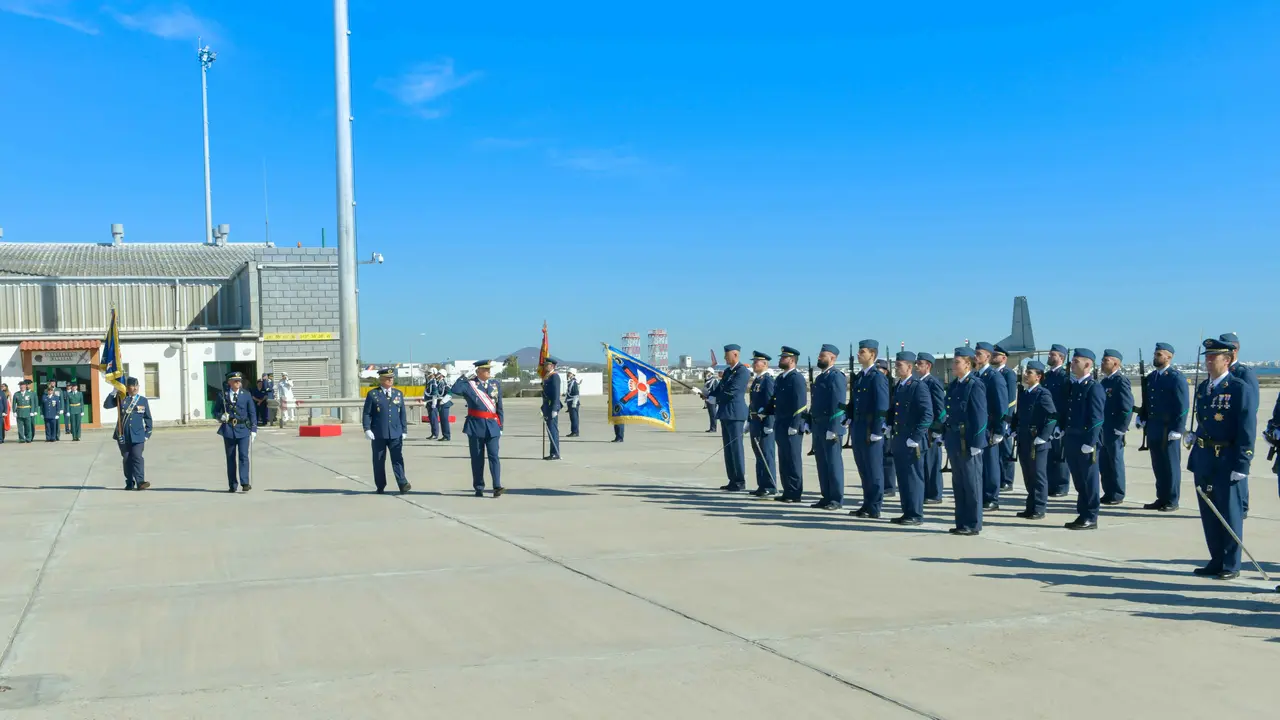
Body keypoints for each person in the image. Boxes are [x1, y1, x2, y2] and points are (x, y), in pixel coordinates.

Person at [1186, 337, 1258, 580]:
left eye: (1213, 357)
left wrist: (1243, 462)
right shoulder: (1205, 388)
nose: (1207, 361)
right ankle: (1216, 559)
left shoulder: (1238, 388)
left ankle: (1231, 563)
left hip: (1226, 457)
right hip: (1205, 456)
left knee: (1229, 511)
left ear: (1227, 360)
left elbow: (1246, 428)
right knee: (1209, 511)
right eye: (1206, 357)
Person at [1135, 342, 1188, 511]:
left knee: (1171, 465)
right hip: (1153, 427)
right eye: (1155, 354)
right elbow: (1147, 402)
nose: (1155, 357)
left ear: (1169, 357)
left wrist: (1178, 429)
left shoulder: (1176, 378)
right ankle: (1161, 497)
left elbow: (1182, 405)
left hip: (1168, 428)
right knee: (1158, 464)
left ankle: (1172, 500)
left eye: (1159, 354)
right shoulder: (1151, 378)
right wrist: (1141, 416)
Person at [695, 345, 750, 492]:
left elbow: (733, 391)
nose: (725, 358)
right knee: (728, 449)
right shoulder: (727, 371)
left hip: (735, 414)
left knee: (736, 448)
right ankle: (732, 479)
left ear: (735, 355)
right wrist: (707, 394)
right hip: (725, 413)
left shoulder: (742, 372)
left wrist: (715, 399)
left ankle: (739, 480)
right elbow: (720, 389)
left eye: (727, 355)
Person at [945, 348, 987, 535]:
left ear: (967, 364)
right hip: (955, 440)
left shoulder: (974, 384)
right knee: (959, 483)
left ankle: (973, 523)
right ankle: (961, 521)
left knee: (972, 484)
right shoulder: (955, 385)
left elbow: (980, 415)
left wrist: (978, 442)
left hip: (968, 441)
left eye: (957, 362)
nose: (953, 366)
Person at [1063, 348, 1106, 530]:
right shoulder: (1075, 386)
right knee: (1079, 480)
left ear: (1087, 364)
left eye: (1076, 361)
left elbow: (1097, 418)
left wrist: (1091, 442)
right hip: (1072, 438)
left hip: (1085, 440)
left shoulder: (1093, 387)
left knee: (1089, 480)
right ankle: (1082, 513)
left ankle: (1091, 516)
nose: (1072, 364)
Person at [889, 351, 933, 526]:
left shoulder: (917, 386)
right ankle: (906, 511)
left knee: (913, 478)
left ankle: (915, 513)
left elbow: (927, 415)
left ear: (909, 366)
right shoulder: (899, 386)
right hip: (900, 438)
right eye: (896, 365)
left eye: (899, 365)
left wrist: (916, 436)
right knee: (903, 478)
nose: (896, 368)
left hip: (912, 441)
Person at [451, 359, 504, 497]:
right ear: (478, 371)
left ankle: (497, 486)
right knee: (477, 458)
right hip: (475, 426)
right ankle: (479, 486)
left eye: (489, 369)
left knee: (494, 457)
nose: (488, 372)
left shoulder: (495, 384)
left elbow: (500, 407)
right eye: (485, 370)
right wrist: (464, 375)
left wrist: (501, 425)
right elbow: (454, 389)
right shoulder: (469, 385)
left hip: (492, 426)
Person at [1219, 333, 1259, 517]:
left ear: (1234, 351)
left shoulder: (1243, 373)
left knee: (1239, 471)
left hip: (1237, 431)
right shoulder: (1221, 374)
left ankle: (1241, 507)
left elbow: (1251, 406)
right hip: (1222, 432)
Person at [848, 340, 888, 518]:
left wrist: (878, 431)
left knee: (874, 469)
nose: (859, 354)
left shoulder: (877, 377)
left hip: (870, 429)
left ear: (872, 355)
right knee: (863, 469)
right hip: (858, 427)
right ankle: (867, 503)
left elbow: (882, 406)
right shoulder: (861, 376)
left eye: (862, 351)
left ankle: (874, 506)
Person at [1013, 360, 1057, 519]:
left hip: (1036, 440)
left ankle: (1039, 507)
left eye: (1029, 372)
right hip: (1024, 439)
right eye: (1026, 372)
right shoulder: (1025, 393)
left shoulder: (1043, 394)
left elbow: (1052, 417)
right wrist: (1013, 429)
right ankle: (1030, 506)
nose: (1026, 375)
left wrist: (1043, 437)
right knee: (1028, 475)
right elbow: (1019, 415)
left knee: (1038, 475)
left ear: (1038, 376)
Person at [807, 343, 847, 509]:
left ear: (833, 358)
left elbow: (838, 405)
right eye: (819, 355)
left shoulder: (836, 376)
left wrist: (835, 428)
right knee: (822, 463)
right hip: (819, 426)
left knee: (833, 463)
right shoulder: (821, 377)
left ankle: (836, 498)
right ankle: (826, 495)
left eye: (823, 355)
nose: (819, 358)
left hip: (830, 427)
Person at [766, 346, 808, 503]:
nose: (780, 359)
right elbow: (775, 399)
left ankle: (795, 492)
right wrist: (766, 411)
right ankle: (787, 490)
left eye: (783, 357)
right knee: (783, 459)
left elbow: (801, 403)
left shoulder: (796, 378)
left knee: (793, 459)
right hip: (780, 422)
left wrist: (795, 424)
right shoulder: (781, 378)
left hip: (791, 424)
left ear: (791, 360)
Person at [362, 368, 411, 494]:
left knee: (398, 459)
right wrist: (367, 429)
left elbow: (403, 414)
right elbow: (367, 413)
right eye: (388, 378)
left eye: (392, 378)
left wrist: (404, 430)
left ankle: (402, 483)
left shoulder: (398, 394)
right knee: (378, 461)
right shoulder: (373, 394)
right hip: (378, 433)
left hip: (395, 433)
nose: (390, 380)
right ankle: (380, 485)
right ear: (381, 379)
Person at [973, 342, 1008, 510]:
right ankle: (982, 494)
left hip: (990, 427)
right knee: (979, 463)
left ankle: (992, 497)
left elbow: (1001, 405)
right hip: (978, 426)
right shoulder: (976, 375)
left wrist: (1000, 429)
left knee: (990, 463)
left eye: (978, 354)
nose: (975, 357)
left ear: (987, 356)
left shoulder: (994, 377)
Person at [212, 371, 258, 492]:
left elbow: (252, 412)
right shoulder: (223, 395)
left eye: (239, 380)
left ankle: (245, 482)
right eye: (235, 380)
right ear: (229, 382)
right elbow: (215, 411)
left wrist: (254, 429)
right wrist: (221, 416)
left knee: (243, 456)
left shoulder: (246, 394)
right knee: (231, 457)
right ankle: (232, 484)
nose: (238, 382)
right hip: (229, 429)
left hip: (243, 429)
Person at [1098, 349, 1134, 505]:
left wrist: (1122, 427)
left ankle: (1117, 493)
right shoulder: (1105, 382)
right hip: (1103, 428)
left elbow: (1127, 406)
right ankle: (1108, 491)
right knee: (1104, 462)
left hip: (1114, 428)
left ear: (1116, 363)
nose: (1102, 363)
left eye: (1106, 360)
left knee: (1115, 460)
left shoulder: (1120, 381)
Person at [104, 376, 153, 490]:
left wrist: (147, 434)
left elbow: (148, 418)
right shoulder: (121, 398)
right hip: (123, 435)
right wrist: (113, 393)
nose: (135, 388)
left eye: (137, 386)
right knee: (127, 459)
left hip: (138, 435)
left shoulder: (142, 400)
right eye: (132, 386)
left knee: (137, 457)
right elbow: (106, 406)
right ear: (127, 387)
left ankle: (140, 481)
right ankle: (129, 482)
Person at [913, 354, 947, 504]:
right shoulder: (917, 382)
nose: (916, 366)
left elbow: (940, 408)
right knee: (923, 462)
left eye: (919, 364)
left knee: (932, 463)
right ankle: (926, 491)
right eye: (916, 363)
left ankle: (934, 493)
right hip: (921, 428)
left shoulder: (933, 382)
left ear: (928, 366)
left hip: (931, 429)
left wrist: (937, 429)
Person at [1042, 344, 1072, 497]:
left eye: (1052, 354)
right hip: (1047, 422)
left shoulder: (1065, 378)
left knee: (1060, 456)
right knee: (1048, 455)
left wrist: (1062, 424)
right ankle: (1050, 485)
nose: (1049, 356)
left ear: (1061, 357)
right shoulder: (1046, 377)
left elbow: (1067, 403)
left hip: (1059, 422)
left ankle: (1061, 485)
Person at [747, 351, 778, 497]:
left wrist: (769, 424)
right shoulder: (757, 380)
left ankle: (770, 485)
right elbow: (753, 403)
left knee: (766, 454)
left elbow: (771, 404)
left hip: (764, 423)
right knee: (759, 454)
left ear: (765, 364)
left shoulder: (768, 380)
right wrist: (749, 420)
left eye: (756, 362)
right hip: (755, 421)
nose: (754, 364)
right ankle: (762, 484)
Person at [991, 345, 1019, 491]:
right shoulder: (990, 373)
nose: (993, 357)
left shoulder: (1008, 374)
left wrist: (1007, 421)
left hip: (1004, 418)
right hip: (993, 418)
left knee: (1006, 451)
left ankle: (1007, 480)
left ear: (1004, 358)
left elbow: (1011, 400)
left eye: (996, 355)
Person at [876, 358, 898, 498]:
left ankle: (889, 486)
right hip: (878, 422)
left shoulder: (892, 385)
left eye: (881, 370)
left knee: (888, 455)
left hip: (889, 423)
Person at [541, 357, 563, 460]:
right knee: (550, 430)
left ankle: (555, 453)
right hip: (547, 407)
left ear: (552, 366)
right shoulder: (547, 376)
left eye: (547, 365)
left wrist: (555, 408)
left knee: (553, 430)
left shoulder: (554, 377)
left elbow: (556, 394)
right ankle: (552, 452)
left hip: (552, 407)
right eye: (545, 365)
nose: (545, 367)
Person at [435, 370, 453, 442]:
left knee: (445, 420)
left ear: (442, 375)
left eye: (439, 374)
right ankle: (444, 435)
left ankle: (447, 436)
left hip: (444, 403)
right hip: (440, 402)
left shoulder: (444, 384)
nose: (437, 374)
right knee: (442, 420)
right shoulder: (439, 383)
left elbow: (450, 393)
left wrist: (443, 401)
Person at [565, 369, 582, 437]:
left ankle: (575, 432)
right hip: (570, 402)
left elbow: (576, 393)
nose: (568, 374)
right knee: (572, 418)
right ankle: (573, 431)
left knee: (574, 418)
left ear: (573, 374)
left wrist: (574, 403)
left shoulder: (573, 382)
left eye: (570, 373)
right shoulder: (570, 382)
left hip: (573, 402)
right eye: (568, 373)